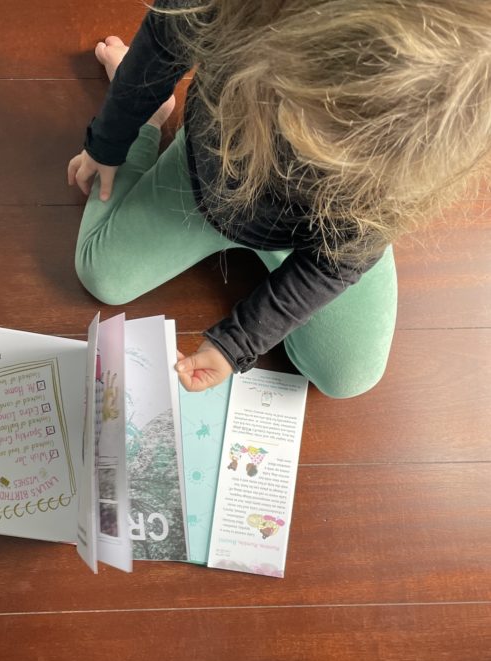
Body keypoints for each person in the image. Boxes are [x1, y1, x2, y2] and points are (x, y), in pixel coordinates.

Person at [68, 0, 491, 397]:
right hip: (203, 182)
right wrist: (109, 140)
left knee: (349, 376)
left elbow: (336, 264)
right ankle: (155, 112)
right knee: (101, 273)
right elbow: (163, 40)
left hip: (322, 235)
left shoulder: (409, 159)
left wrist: (236, 344)